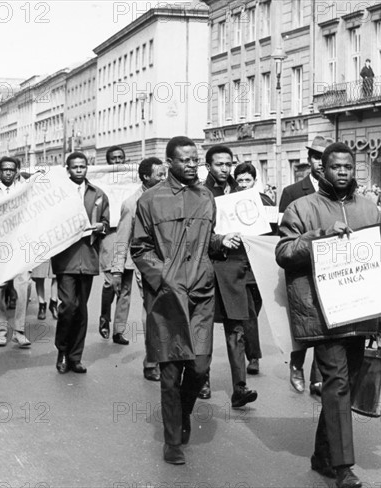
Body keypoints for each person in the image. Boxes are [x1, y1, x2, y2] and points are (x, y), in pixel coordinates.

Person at [276, 142, 381, 488]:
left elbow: (379, 264)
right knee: (336, 382)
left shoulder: (370, 209)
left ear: (355, 170)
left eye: (348, 168)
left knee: (344, 386)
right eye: (335, 167)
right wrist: (320, 237)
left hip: (360, 312)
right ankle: (343, 468)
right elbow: (284, 252)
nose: (342, 172)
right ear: (322, 170)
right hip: (322, 314)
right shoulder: (300, 207)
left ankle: (323, 455)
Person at [131, 136, 238, 465]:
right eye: (186, 160)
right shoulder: (150, 201)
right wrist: (163, 278)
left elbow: (207, 240)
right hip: (167, 296)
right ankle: (172, 440)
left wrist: (222, 242)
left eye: (196, 160)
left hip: (202, 293)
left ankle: (184, 413)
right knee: (170, 370)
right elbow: (140, 248)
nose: (193, 165)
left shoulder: (206, 197)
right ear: (170, 163)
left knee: (200, 366)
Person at [203, 145, 258, 406]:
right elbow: (198, 235)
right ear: (209, 166)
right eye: (219, 164)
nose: (225, 169)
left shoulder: (241, 194)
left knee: (237, 330)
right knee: (203, 329)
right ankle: (202, 378)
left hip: (236, 270)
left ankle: (240, 388)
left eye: (228, 164)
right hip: (209, 270)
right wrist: (220, 240)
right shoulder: (201, 194)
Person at [279, 135, 329, 397]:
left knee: (327, 323)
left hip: (330, 266)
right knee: (303, 320)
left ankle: (318, 378)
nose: (321, 163)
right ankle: (296, 365)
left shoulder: (336, 191)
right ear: (309, 160)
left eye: (325, 158)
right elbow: (282, 237)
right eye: (317, 158)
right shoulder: (292, 193)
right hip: (301, 264)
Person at [52, 152, 110, 374]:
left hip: (87, 255)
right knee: (68, 306)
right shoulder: (58, 194)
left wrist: (100, 227)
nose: (79, 170)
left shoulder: (98, 194)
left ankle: (75, 357)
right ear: (67, 169)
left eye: (82, 166)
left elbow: (106, 222)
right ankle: (62, 351)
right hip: (65, 257)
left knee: (82, 310)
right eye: (74, 167)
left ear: (87, 168)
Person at [111, 157, 167, 381]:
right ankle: (152, 362)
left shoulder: (169, 196)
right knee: (152, 312)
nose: (164, 178)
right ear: (145, 177)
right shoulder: (132, 203)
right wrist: (116, 269)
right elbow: (122, 237)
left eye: (165, 174)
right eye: (159, 175)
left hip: (168, 262)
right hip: (143, 263)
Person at [0, 157, 31, 348]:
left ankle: (19, 331)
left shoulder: (25, 189)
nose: (8, 173)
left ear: (17, 170)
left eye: (12, 169)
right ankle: (1, 330)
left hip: (20, 244)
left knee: (23, 286)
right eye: (4, 170)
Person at [232, 162, 272, 373]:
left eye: (248, 180)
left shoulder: (265, 202)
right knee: (248, 313)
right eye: (240, 180)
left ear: (254, 182)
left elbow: (275, 231)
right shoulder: (229, 203)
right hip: (241, 266)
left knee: (253, 311)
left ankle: (250, 348)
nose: (244, 184)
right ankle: (254, 357)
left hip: (261, 266)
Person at [99, 145, 131, 345]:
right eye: (113, 159)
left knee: (126, 285)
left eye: (120, 158)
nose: (117, 162)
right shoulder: (101, 182)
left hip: (129, 233)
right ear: (108, 161)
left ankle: (119, 330)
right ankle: (104, 315)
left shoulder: (131, 180)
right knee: (112, 280)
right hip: (111, 234)